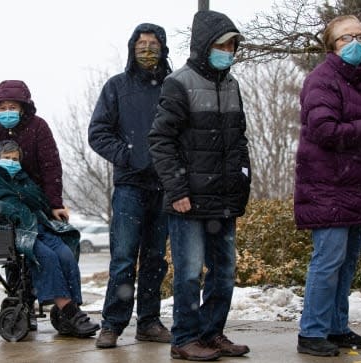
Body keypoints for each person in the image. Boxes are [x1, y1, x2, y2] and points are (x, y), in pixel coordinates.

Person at [148, 10, 251, 361]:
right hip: (188, 202)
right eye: (222, 44)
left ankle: (212, 333)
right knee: (190, 274)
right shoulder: (179, 83)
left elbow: (240, 142)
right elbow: (161, 141)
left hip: (224, 200)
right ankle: (185, 338)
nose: (228, 51)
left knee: (224, 273)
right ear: (204, 44)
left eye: (232, 45)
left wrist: (242, 183)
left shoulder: (233, 85)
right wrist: (177, 191)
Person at [293, 15, 361, 357]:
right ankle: (312, 332)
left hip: (357, 187)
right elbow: (325, 131)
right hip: (328, 187)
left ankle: (336, 327)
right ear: (331, 45)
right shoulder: (321, 80)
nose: (356, 43)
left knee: (346, 262)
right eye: (346, 38)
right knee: (328, 261)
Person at [88, 23, 172, 349]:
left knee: (155, 259)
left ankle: (149, 321)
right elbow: (98, 132)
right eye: (141, 43)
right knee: (123, 258)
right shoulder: (117, 87)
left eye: (153, 43)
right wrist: (128, 155)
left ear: (163, 48)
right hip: (129, 187)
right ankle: (112, 324)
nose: (147, 49)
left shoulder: (174, 86)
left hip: (165, 187)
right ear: (132, 47)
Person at [0, 79, 66, 330]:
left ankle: (36, 300)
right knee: (16, 253)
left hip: (33, 198)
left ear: (23, 108)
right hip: (6, 204)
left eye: (12, 107)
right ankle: (21, 300)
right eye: (2, 107)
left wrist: (54, 202)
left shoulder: (38, 128)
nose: (7, 112)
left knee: (51, 248)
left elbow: (51, 167)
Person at [0, 140, 100, 338]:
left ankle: (72, 306)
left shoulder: (23, 178)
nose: (12, 162)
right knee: (46, 257)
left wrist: (23, 192)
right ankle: (71, 313)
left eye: (15, 159)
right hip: (11, 230)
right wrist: (7, 208)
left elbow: (41, 202)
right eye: (7, 158)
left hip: (37, 225)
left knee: (65, 253)